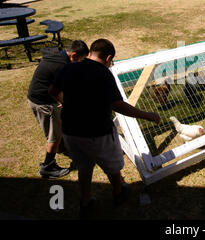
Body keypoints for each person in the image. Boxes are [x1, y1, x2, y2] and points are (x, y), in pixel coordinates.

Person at [49, 38, 160, 218]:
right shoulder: (103, 73)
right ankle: (118, 193)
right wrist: (148, 115)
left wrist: (70, 104)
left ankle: (85, 202)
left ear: (91, 52)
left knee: (84, 167)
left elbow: (52, 91)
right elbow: (117, 105)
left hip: (70, 131)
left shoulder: (69, 67)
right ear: (108, 58)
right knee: (112, 166)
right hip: (97, 132)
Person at [27, 40, 89, 179]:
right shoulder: (61, 66)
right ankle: (48, 167)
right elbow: (54, 91)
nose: (81, 62)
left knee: (56, 129)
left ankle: (61, 147)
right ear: (73, 55)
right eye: (81, 59)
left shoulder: (58, 55)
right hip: (44, 102)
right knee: (54, 134)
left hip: (34, 98)